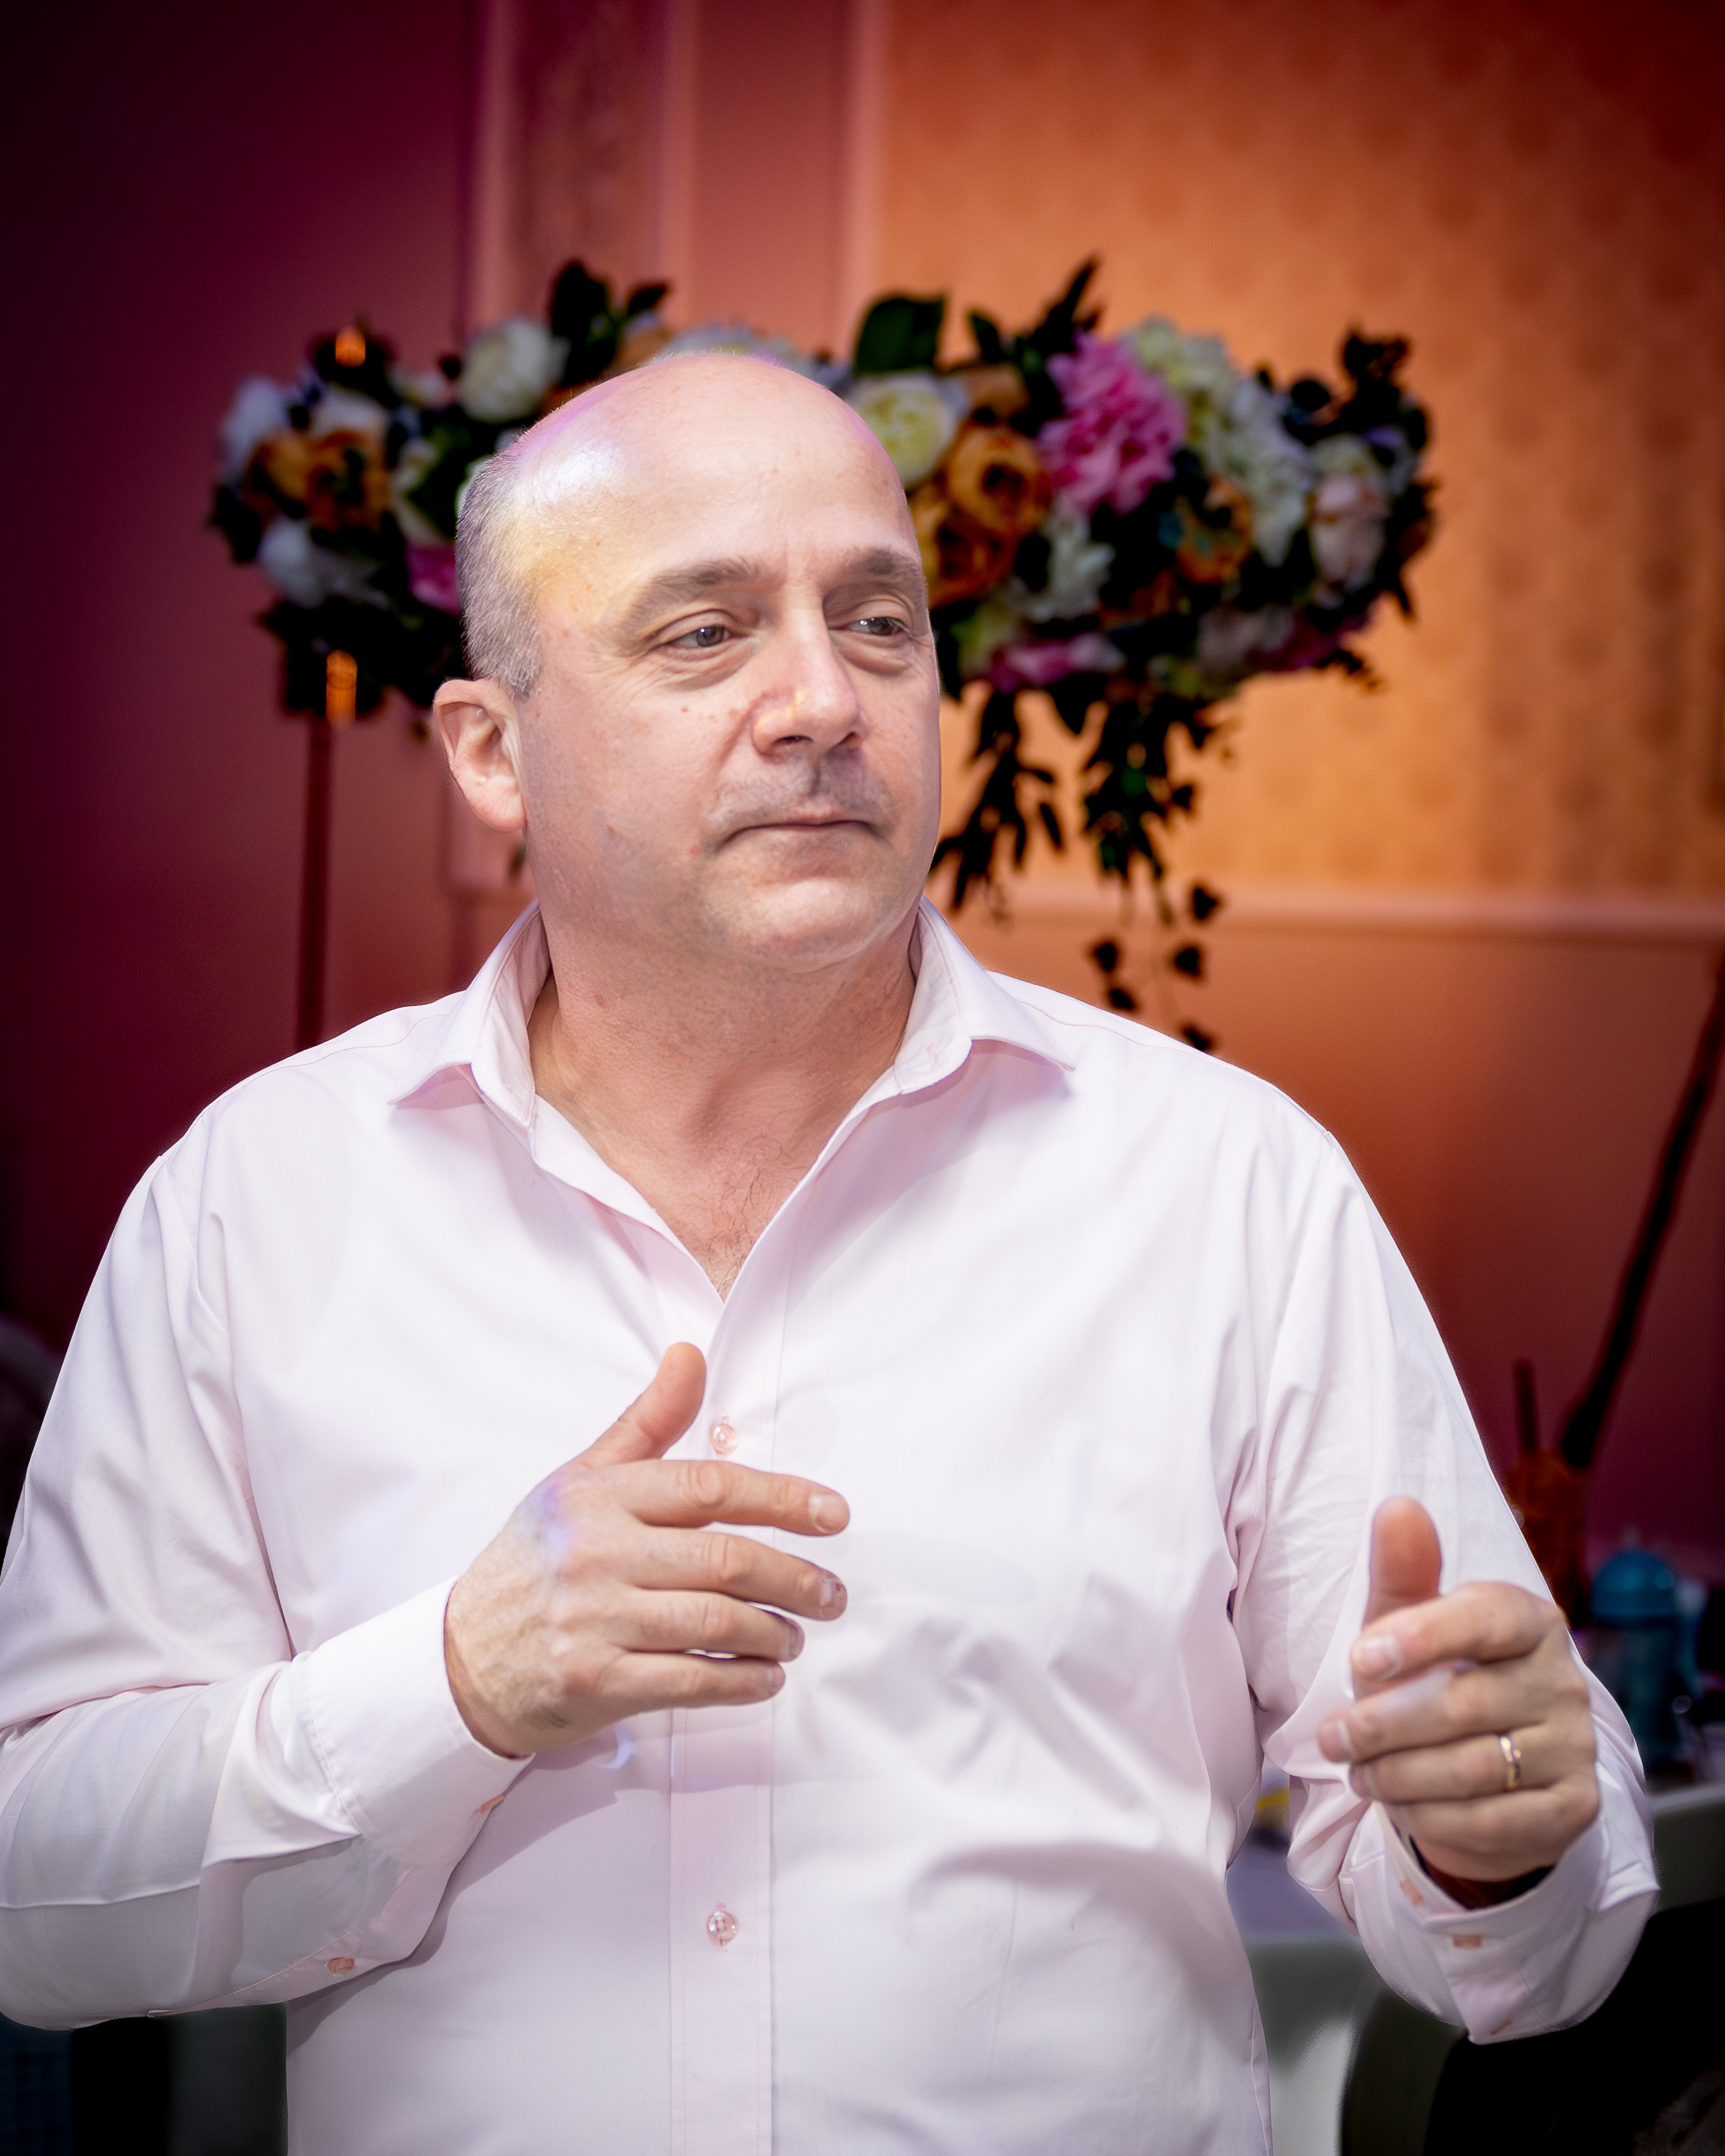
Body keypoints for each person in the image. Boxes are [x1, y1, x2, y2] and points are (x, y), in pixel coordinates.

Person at [0, 356, 1654, 2154]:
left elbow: (1517, 1940)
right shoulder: (257, 1203)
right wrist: (451, 1690)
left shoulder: (1225, 1187)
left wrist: (1495, 1838)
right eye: (704, 632)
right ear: (491, 750)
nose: (821, 702)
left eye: (876, 622)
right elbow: (32, 1903)